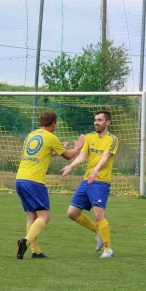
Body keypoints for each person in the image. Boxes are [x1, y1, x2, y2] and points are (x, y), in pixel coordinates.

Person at [15, 111, 85, 259]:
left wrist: (58, 149)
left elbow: (41, 153)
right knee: (44, 216)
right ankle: (25, 242)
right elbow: (68, 156)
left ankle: (35, 251)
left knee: (31, 216)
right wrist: (77, 147)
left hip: (20, 179)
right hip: (34, 181)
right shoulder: (51, 137)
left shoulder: (31, 135)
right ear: (54, 123)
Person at [61, 110, 118, 258]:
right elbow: (82, 157)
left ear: (108, 122)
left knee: (99, 215)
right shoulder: (89, 137)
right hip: (87, 180)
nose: (96, 123)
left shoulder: (112, 139)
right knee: (72, 213)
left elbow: (105, 157)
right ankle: (98, 231)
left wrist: (95, 171)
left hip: (101, 181)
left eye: (99, 120)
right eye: (95, 120)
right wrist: (70, 166)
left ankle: (108, 250)